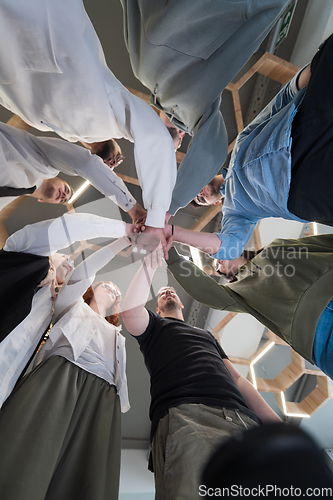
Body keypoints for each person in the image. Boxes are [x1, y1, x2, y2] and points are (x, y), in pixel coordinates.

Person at [0, 0, 177, 233]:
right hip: (41, 18)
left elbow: (86, 162)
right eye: (118, 159)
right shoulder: (110, 113)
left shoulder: (43, 127)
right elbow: (154, 136)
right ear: (119, 140)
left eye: (110, 166)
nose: (112, 164)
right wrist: (151, 215)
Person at [121, 256, 281, 499]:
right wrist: (151, 261)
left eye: (171, 291)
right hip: (187, 418)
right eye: (162, 293)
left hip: (240, 419)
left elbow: (237, 379)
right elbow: (131, 312)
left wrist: (275, 424)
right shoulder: (154, 327)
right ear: (156, 309)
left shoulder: (206, 335)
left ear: (182, 305)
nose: (167, 293)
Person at [120, 0, 289, 216]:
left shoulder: (191, 110)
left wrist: (167, 209)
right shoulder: (139, 67)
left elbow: (211, 151)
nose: (181, 141)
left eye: (177, 145)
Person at [173, 35, 333, 261]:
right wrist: (174, 233)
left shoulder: (240, 143)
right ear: (215, 203)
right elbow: (230, 248)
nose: (198, 193)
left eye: (193, 189)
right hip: (299, 192)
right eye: (199, 200)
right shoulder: (236, 212)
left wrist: (314, 69)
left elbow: (278, 103)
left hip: (298, 133)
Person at [0, 236, 131, 500]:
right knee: (32, 449)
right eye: (107, 284)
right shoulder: (71, 305)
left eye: (117, 291)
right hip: (62, 374)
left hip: (105, 397)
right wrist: (123, 241)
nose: (114, 289)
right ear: (92, 290)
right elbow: (83, 273)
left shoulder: (118, 334)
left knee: (85, 474)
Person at [0, 211, 134, 408]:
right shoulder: (23, 253)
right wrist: (126, 232)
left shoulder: (53, 310)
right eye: (67, 258)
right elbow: (68, 227)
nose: (71, 264)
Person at [166, 233, 333, 380]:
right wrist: (171, 256)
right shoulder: (237, 293)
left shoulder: (274, 248)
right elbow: (203, 290)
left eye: (217, 256)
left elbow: (315, 245)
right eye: (217, 266)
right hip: (314, 333)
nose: (218, 261)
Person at [0, 121, 146, 218]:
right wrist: (134, 210)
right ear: (60, 177)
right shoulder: (44, 161)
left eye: (63, 199)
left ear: (43, 201)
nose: (63, 195)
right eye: (67, 190)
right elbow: (86, 164)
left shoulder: (4, 202)